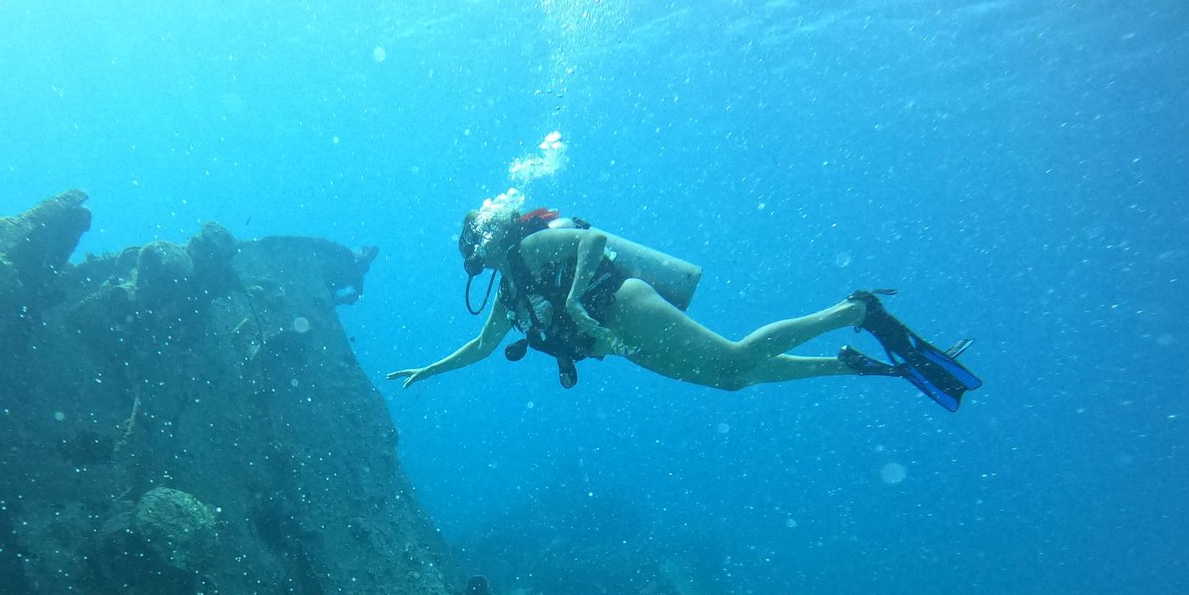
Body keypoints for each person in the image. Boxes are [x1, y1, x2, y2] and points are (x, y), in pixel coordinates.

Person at [387, 195, 981, 410]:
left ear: (489, 235)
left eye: (475, 240)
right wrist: (430, 369)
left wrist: (572, 296)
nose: (474, 251)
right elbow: (482, 345)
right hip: (616, 343)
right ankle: (846, 363)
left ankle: (855, 310)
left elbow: (591, 239)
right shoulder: (510, 291)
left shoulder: (534, 247)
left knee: (729, 362)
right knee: (731, 382)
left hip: (625, 306)